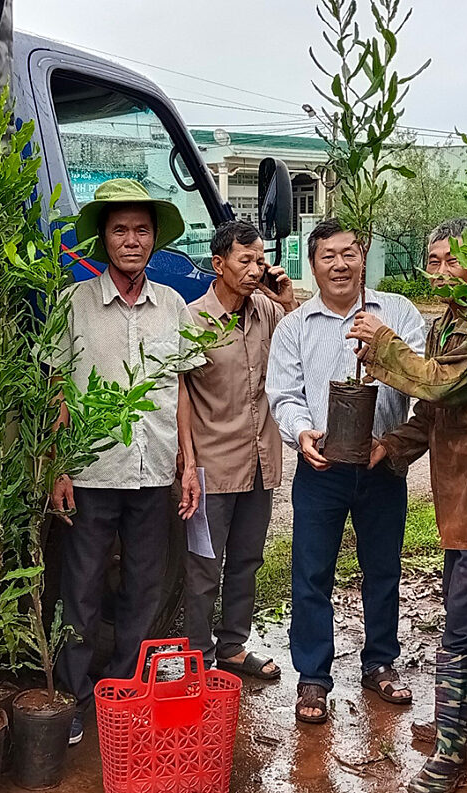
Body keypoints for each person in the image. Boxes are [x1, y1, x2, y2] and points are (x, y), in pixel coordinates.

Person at [347, 217, 467, 793]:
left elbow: (437, 385)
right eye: (432, 262)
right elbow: (435, 415)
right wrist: (391, 446)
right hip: (463, 503)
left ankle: (450, 756)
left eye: (450, 261)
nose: (439, 273)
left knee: (461, 631)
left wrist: (383, 342)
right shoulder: (452, 322)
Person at [50, 179, 203, 746]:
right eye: (120, 230)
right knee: (82, 589)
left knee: (144, 587)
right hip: (93, 472)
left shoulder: (174, 307)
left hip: (154, 469)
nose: (132, 240)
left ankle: (126, 693)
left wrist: (187, 464)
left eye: (141, 230)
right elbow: (57, 391)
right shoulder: (76, 304)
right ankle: (71, 697)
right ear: (105, 239)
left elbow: (180, 390)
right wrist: (58, 467)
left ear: (154, 238)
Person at [266, 218, 426, 724]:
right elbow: (284, 394)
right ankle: (313, 677)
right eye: (328, 255)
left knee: (382, 569)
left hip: (383, 467)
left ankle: (380, 662)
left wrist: (383, 349)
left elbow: (423, 376)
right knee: (311, 573)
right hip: (322, 469)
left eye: (349, 253)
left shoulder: (396, 312)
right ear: (312, 266)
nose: (340, 264)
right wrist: (301, 432)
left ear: (363, 258)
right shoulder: (295, 326)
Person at [179, 220, 298, 679]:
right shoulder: (192, 319)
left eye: (260, 259)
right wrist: (187, 462)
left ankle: (232, 646)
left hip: (260, 463)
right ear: (218, 263)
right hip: (212, 466)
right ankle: (197, 656)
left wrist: (286, 300)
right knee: (204, 567)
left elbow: (298, 352)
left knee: (247, 560)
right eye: (244, 260)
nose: (256, 269)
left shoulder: (268, 312)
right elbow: (180, 394)